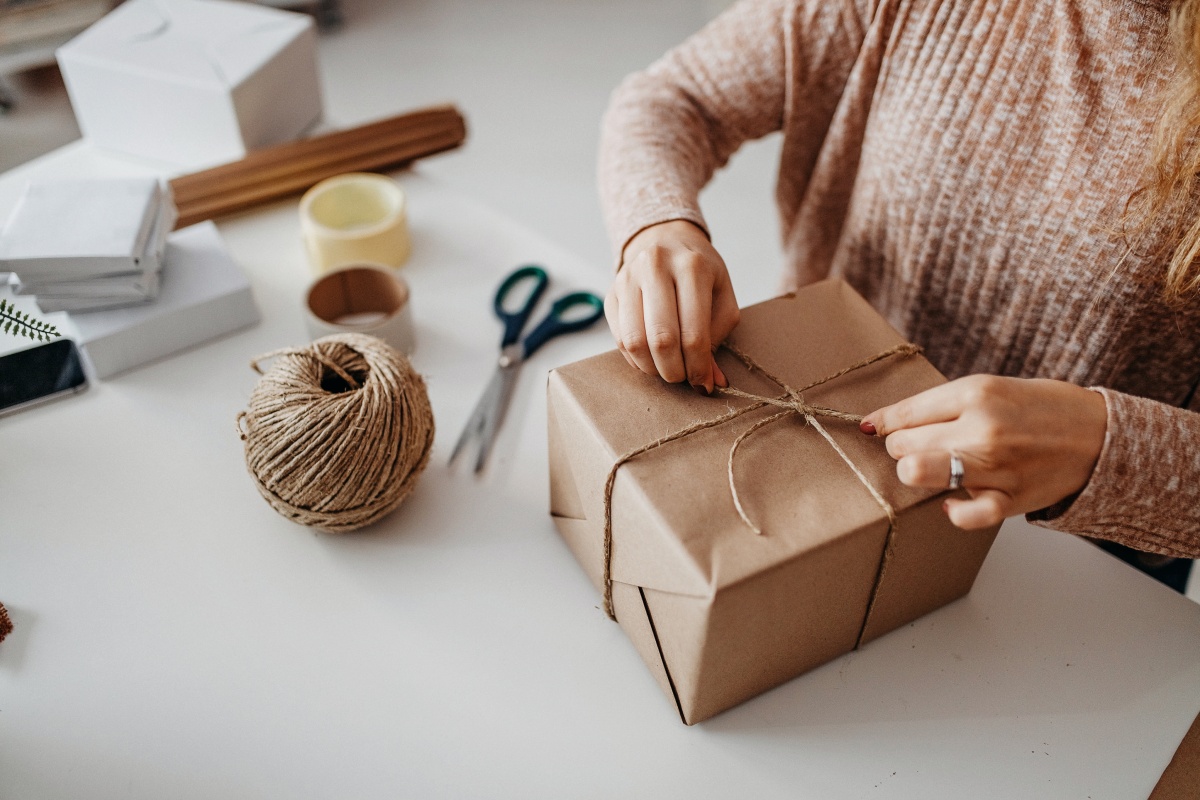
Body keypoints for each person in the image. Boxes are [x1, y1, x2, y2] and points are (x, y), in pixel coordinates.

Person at [597, 0, 1200, 586]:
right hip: (801, 470)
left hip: (1076, 580)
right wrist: (658, 226)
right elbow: (673, 99)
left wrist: (1107, 447)